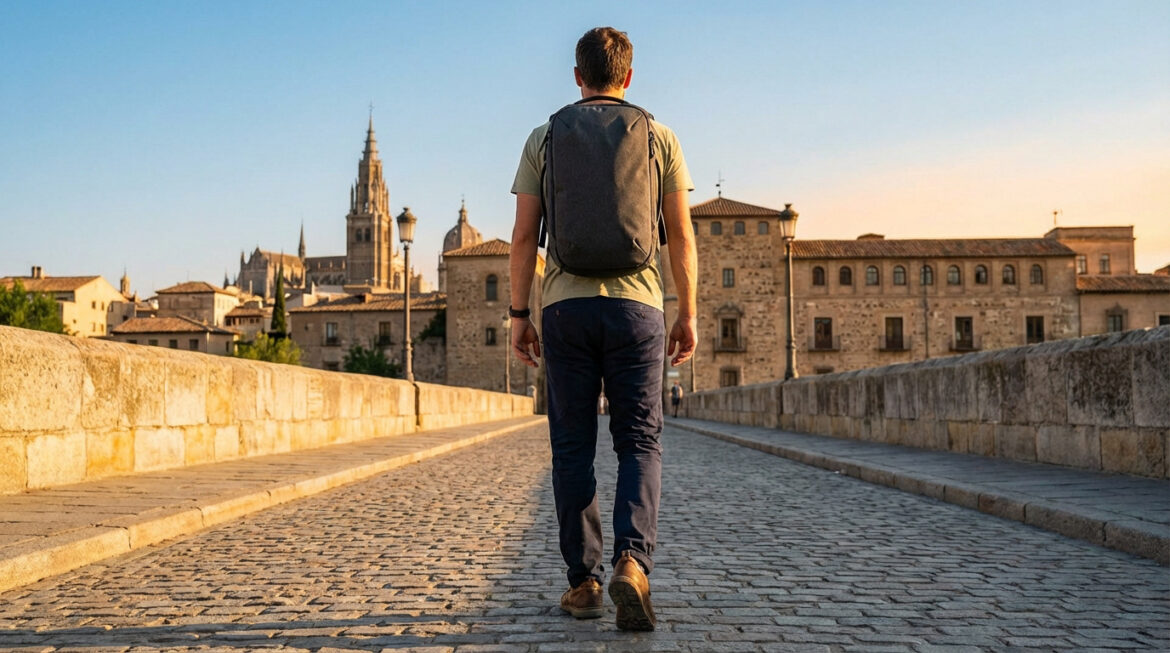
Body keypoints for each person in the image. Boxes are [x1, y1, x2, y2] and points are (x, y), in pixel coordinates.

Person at [508, 26, 697, 632]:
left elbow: (522, 238)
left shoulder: (544, 136)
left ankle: (585, 582)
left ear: (577, 75)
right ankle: (632, 565)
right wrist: (687, 311)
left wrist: (519, 314)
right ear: (630, 76)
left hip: (564, 308)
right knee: (639, 441)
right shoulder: (659, 136)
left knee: (571, 446)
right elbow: (681, 236)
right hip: (638, 309)